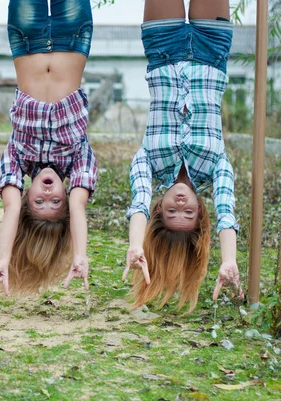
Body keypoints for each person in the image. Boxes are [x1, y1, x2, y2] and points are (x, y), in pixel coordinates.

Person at [122, 0, 243, 313]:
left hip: (163, 48)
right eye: (187, 215)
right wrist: (229, 259)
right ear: (200, 209)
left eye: (170, 214)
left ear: (159, 208)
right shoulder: (218, 167)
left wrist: (136, 245)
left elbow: (138, 202)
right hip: (213, 51)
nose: (179, 207)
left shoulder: (148, 161)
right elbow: (227, 212)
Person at [0, 0, 97, 295]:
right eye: (55, 203)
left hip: (26, 40)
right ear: (66, 198)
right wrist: (80, 255)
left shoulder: (16, 156)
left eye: (39, 203)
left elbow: (9, 209)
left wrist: (3, 259)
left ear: (26, 197)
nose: (48, 195)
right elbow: (79, 206)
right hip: (74, 37)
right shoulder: (78, 158)